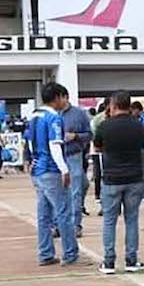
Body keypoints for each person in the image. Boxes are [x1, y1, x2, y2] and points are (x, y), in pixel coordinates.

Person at [24, 82, 78, 266]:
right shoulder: (54, 118)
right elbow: (55, 145)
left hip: (38, 169)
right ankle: (70, 253)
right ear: (57, 98)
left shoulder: (34, 116)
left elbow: (30, 142)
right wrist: (64, 169)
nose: (65, 101)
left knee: (43, 214)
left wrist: (31, 159)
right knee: (63, 213)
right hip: (52, 170)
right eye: (64, 97)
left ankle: (45, 252)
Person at [93, 90, 144, 273]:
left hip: (111, 178)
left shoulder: (104, 126)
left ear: (113, 105)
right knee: (132, 220)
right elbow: (142, 146)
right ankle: (131, 260)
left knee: (109, 221)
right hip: (134, 177)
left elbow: (98, 146)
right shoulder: (138, 125)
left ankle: (109, 261)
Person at [59, 89, 92, 237]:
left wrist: (75, 136)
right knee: (64, 190)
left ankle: (75, 224)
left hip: (74, 155)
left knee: (77, 189)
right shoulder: (53, 114)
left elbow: (89, 134)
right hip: (58, 156)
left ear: (66, 97)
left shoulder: (79, 113)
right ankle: (60, 223)